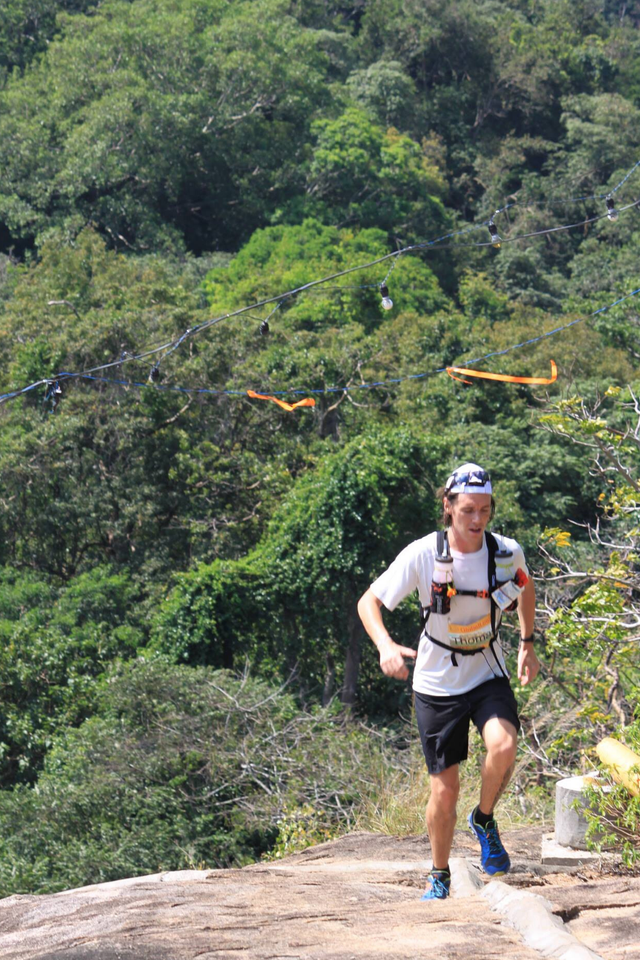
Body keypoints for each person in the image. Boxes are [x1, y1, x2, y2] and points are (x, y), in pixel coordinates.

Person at [357, 463, 540, 900]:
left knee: (504, 745)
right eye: (467, 511)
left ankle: (485, 818)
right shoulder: (424, 553)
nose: (477, 520)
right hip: (437, 679)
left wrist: (527, 642)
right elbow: (370, 602)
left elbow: (525, 587)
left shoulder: (504, 552)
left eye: (485, 510)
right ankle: (438, 873)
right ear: (448, 506)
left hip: (487, 669)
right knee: (445, 790)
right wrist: (385, 645)